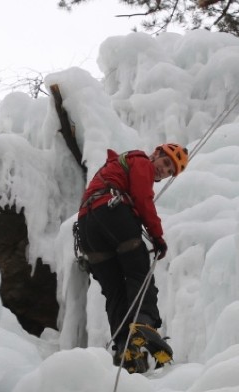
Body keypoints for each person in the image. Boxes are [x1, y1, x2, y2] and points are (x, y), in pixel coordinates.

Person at [76, 143, 188, 373]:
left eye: (169, 172)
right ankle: (144, 322)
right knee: (139, 271)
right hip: (111, 212)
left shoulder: (115, 167)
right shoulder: (141, 162)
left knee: (115, 289)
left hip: (88, 230)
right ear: (156, 154)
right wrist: (158, 237)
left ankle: (125, 347)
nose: (163, 171)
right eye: (165, 163)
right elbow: (143, 199)